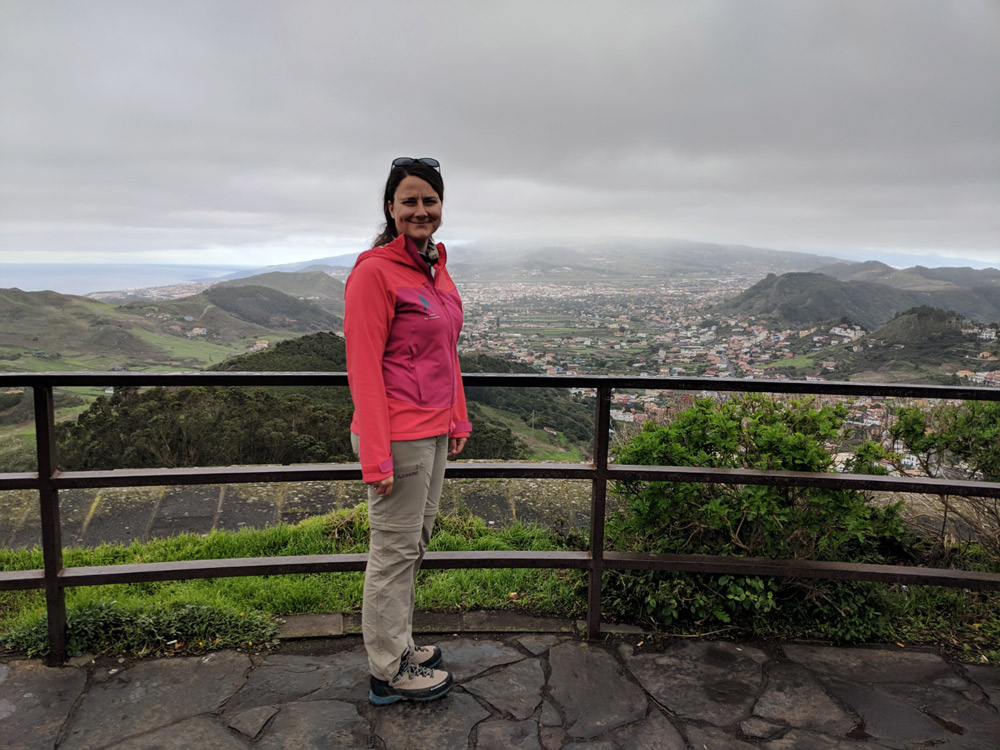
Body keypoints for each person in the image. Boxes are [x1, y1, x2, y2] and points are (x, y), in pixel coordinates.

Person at [343, 157, 471, 705]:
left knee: (412, 544)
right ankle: (388, 669)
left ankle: (399, 644)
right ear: (391, 209)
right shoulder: (375, 272)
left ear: (440, 207)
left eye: (430, 200)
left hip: (433, 431)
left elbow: (447, 351)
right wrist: (376, 457)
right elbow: (364, 369)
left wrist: (458, 415)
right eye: (410, 200)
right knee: (394, 551)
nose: (421, 210)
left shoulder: (435, 267)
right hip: (396, 436)